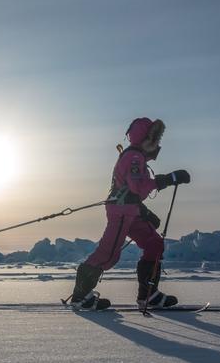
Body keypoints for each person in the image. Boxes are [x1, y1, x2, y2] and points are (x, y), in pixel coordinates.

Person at [70, 117, 191, 310]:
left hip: (131, 209)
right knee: (108, 254)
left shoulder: (137, 157)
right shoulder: (134, 157)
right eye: (155, 140)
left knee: (154, 244)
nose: (157, 144)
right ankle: (80, 296)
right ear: (146, 139)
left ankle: (149, 295)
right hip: (121, 211)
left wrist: (144, 211)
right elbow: (137, 187)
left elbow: (132, 190)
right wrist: (167, 179)